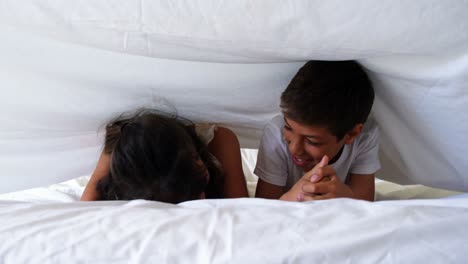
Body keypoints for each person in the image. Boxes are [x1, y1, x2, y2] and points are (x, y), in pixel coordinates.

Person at [254, 60, 380, 202]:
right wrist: (292, 196)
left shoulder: (365, 136)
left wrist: (345, 196)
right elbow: (264, 206)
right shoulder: (276, 131)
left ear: (351, 134)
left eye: (312, 141)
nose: (294, 148)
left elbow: (365, 203)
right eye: (288, 128)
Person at [81, 109, 248, 203]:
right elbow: (87, 205)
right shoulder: (121, 149)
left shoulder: (220, 141)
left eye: (199, 189)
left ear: (197, 158)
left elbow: (242, 208)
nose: (202, 197)